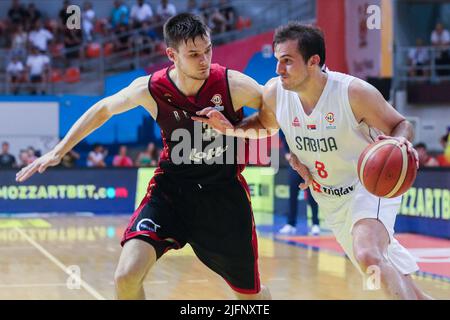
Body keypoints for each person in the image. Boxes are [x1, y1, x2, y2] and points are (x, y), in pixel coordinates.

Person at [16, 13, 270, 300]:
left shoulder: (232, 85)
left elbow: (273, 115)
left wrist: (238, 129)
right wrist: (58, 151)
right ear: (172, 55)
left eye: (208, 50)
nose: (204, 60)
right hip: (171, 191)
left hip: (223, 197)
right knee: (126, 277)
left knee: (251, 297)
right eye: (194, 54)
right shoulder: (151, 88)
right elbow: (103, 109)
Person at [196, 22, 431, 300]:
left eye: (286, 61)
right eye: (277, 61)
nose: (278, 70)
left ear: (313, 61)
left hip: (367, 186)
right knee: (384, 271)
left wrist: (399, 143)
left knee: (369, 255)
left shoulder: (353, 93)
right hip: (330, 200)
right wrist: (230, 128)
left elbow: (401, 124)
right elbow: (264, 124)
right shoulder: (276, 94)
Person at [279, 152, 320, 235]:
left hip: (308, 166)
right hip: (294, 166)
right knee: (292, 197)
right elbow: (284, 141)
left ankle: (315, 224)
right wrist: (288, 154)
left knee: (312, 197)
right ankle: (291, 224)